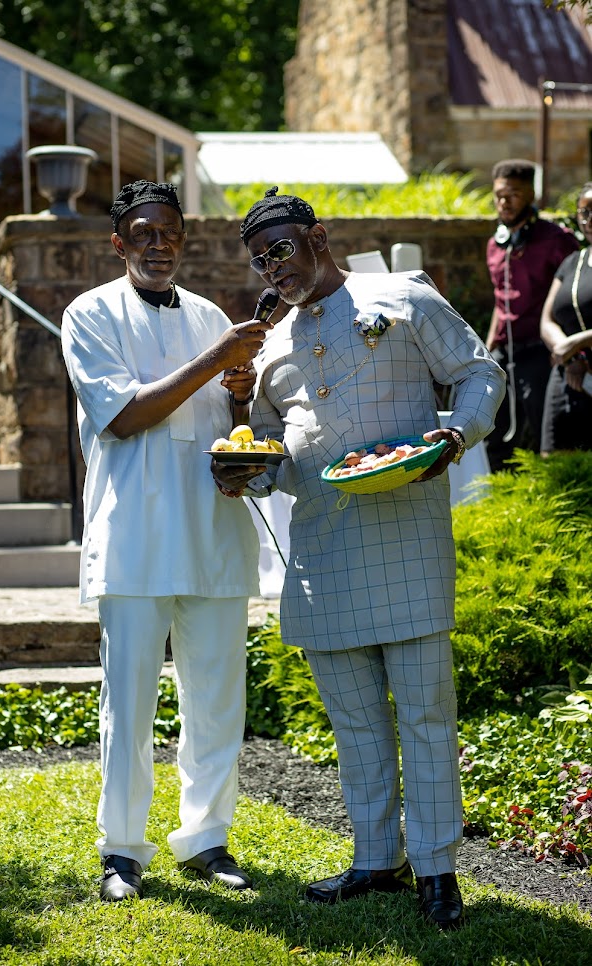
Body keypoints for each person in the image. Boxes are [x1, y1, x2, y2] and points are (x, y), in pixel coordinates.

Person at [211, 187, 506, 930]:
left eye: (280, 249)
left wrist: (454, 437)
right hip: (321, 550)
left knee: (428, 715)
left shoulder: (400, 295)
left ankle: (437, 868)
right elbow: (275, 454)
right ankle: (378, 859)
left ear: (318, 238)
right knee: (354, 721)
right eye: (259, 259)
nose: (272, 268)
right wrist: (246, 469)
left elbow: (480, 372)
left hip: (407, 534)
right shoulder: (270, 345)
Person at [61, 180, 274, 902]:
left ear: (183, 239)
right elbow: (123, 417)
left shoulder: (210, 316)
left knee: (218, 700)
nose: (160, 245)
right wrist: (220, 358)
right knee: (129, 704)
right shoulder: (89, 314)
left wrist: (240, 389)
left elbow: (230, 422)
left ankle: (206, 839)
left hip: (213, 530)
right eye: (144, 233)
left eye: (171, 233)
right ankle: (121, 850)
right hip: (135, 536)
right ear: (119, 243)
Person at [484, 158, 578, 471]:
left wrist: (564, 347)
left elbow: (571, 296)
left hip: (540, 352)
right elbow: (501, 302)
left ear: (531, 196)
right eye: (498, 194)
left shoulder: (556, 241)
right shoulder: (495, 245)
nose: (503, 202)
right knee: (492, 431)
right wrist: (486, 351)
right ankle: (499, 496)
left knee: (542, 431)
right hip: (502, 351)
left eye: (513, 194)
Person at [540, 182, 592, 454]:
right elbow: (548, 319)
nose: (590, 220)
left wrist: (579, 342)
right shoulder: (574, 261)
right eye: (584, 212)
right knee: (555, 461)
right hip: (567, 374)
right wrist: (570, 355)